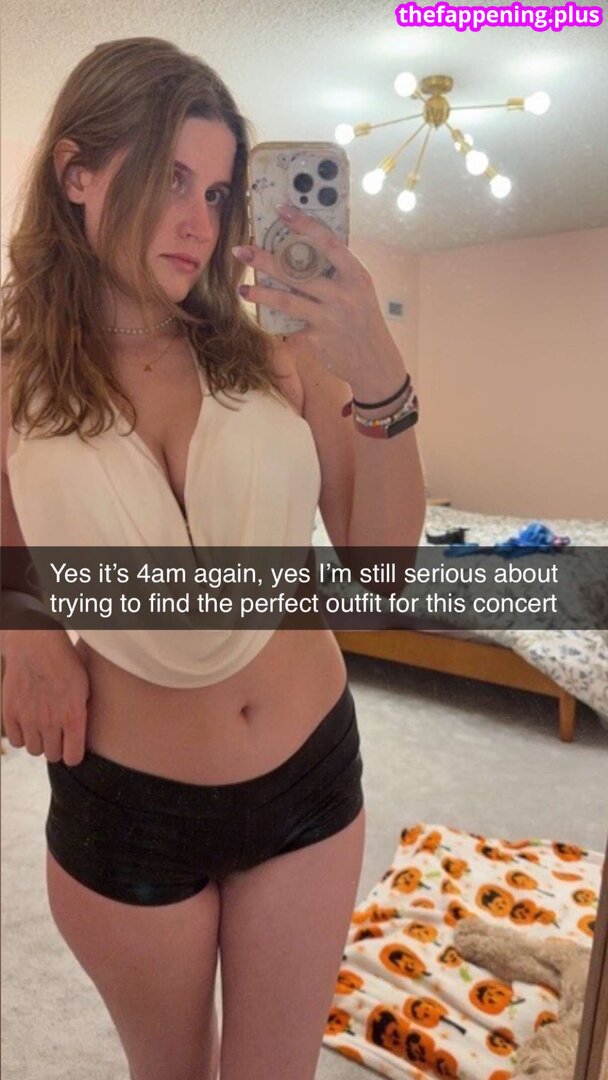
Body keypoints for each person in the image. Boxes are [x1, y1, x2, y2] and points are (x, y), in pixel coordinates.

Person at [0, 36, 425, 1080]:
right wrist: (22, 628)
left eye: (220, 190)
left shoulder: (279, 351)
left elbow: (380, 573)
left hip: (307, 778)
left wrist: (379, 374)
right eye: (172, 178)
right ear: (76, 173)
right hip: (127, 808)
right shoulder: (13, 376)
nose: (201, 219)